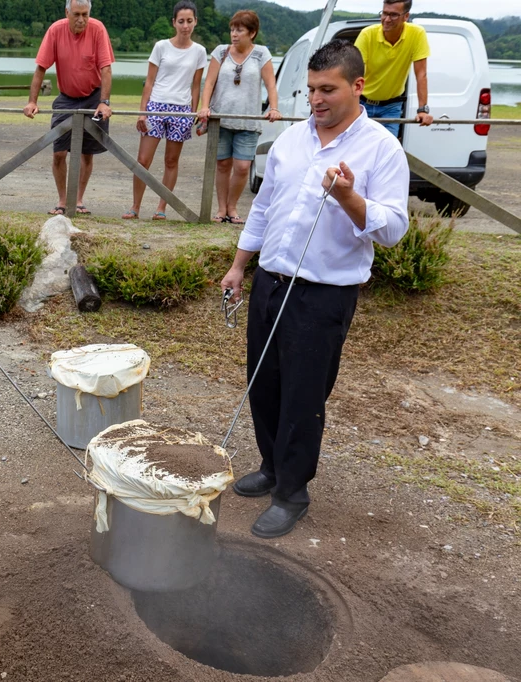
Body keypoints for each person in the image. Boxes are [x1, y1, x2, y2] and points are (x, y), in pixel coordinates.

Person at [220, 40, 409, 538]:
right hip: (270, 283)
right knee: (263, 382)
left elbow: (392, 230)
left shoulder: (381, 149)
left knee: (304, 396)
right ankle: (270, 467)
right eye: (310, 90)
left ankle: (292, 492)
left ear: (358, 86)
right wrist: (240, 266)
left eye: (328, 90)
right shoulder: (289, 141)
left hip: (323, 296)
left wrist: (349, 197)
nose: (316, 100)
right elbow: (262, 209)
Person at [24, 0, 114, 217]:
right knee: (58, 152)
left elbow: (106, 68)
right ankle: (63, 200)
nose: (81, 19)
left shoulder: (98, 29)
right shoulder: (55, 30)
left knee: (87, 152)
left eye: (85, 14)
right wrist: (32, 101)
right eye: (76, 14)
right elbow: (40, 68)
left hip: (94, 96)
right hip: (66, 98)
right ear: (67, 12)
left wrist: (104, 102)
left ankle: (79, 199)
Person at [123, 0, 207, 221]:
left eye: (189, 21)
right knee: (143, 159)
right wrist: (143, 112)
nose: (185, 26)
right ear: (174, 23)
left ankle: (162, 207)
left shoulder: (199, 51)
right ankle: (135, 206)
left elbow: (196, 85)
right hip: (157, 106)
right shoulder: (161, 46)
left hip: (182, 109)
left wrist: (192, 113)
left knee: (171, 161)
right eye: (181, 21)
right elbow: (149, 82)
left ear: (195, 22)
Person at [197, 10, 280, 224]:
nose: (234, 34)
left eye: (240, 30)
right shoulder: (220, 51)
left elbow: (271, 84)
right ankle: (221, 209)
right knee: (222, 164)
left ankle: (232, 207)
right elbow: (209, 83)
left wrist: (274, 107)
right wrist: (204, 106)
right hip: (220, 119)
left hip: (249, 121)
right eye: (232, 29)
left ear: (252, 33)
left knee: (242, 167)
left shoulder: (261, 53)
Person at [354, 0, 433, 138]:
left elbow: (421, 74)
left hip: (391, 107)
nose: (387, 19)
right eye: (384, 13)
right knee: (357, 149)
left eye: (394, 15)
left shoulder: (417, 34)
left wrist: (423, 110)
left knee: (387, 151)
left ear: (406, 16)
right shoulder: (367, 34)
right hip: (362, 102)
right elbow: (354, 73)